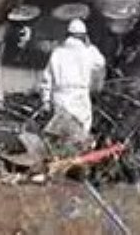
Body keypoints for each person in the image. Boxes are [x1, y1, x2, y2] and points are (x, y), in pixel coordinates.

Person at [37, 18, 107, 156]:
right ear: (84, 36)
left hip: (60, 96)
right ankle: (77, 158)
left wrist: (45, 100)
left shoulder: (57, 53)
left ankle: (59, 157)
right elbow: (101, 63)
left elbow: (47, 79)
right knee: (81, 131)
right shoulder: (88, 51)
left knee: (62, 133)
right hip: (79, 95)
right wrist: (90, 45)